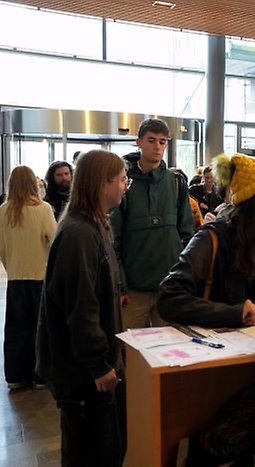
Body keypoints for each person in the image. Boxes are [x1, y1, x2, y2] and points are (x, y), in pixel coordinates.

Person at [36, 150, 129, 466]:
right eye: (121, 179)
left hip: (88, 369)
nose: (125, 186)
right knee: (90, 453)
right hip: (81, 375)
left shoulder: (94, 224)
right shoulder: (79, 233)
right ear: (103, 183)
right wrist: (97, 364)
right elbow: (81, 308)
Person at [158, 154, 255, 327]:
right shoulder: (210, 240)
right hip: (213, 341)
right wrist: (236, 313)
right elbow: (169, 298)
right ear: (254, 199)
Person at [110, 118, 194, 330]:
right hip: (134, 290)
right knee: (129, 347)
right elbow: (114, 240)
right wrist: (121, 286)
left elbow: (187, 235)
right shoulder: (124, 183)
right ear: (139, 142)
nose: (157, 146)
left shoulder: (176, 182)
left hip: (170, 288)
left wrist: (184, 281)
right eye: (151, 140)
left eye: (162, 141)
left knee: (172, 346)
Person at [0, 166, 56, 390]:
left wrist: (11, 266)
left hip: (15, 277)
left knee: (15, 329)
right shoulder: (43, 209)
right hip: (40, 276)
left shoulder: (3, 211)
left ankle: (15, 376)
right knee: (40, 328)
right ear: (34, 183)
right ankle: (40, 376)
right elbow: (54, 240)